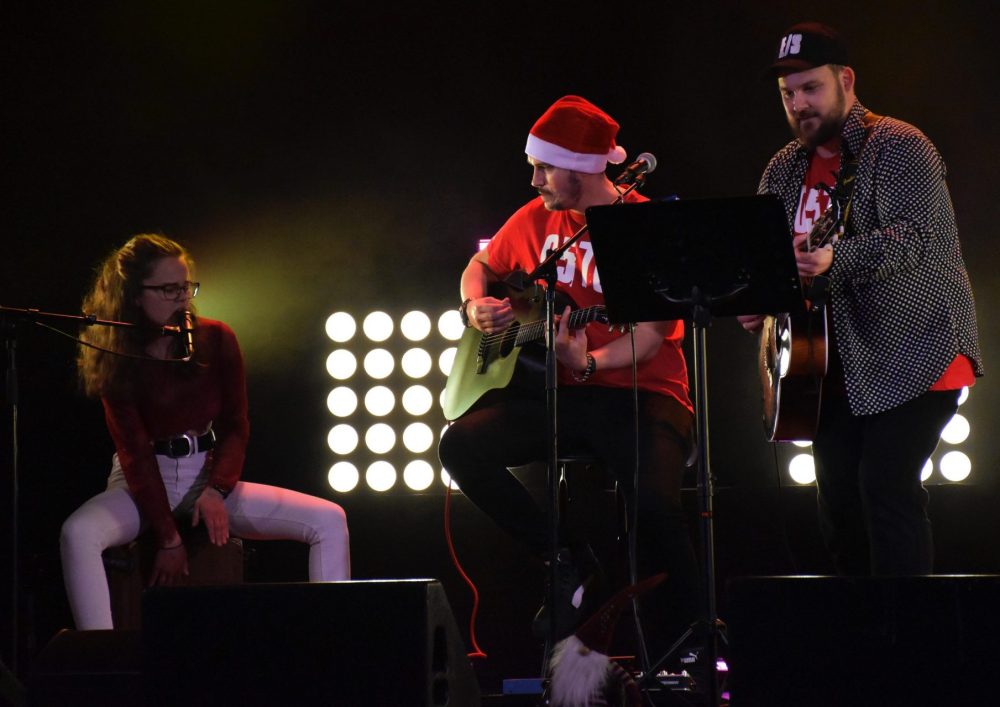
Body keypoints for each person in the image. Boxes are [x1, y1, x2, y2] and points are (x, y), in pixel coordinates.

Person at [438, 96, 699, 648]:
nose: (534, 180)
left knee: (654, 507)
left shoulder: (644, 226)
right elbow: (480, 266)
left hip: (644, 392)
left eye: (544, 168)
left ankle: (690, 639)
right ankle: (564, 556)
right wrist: (473, 306)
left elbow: (651, 336)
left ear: (581, 168)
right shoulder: (537, 218)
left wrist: (590, 362)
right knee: (460, 446)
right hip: (565, 393)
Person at [739, 23, 983, 575]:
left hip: (916, 352)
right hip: (831, 366)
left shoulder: (899, 144)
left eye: (810, 88)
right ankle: (858, 622)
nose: (798, 103)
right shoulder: (783, 168)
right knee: (840, 505)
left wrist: (836, 257)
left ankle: (908, 624)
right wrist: (757, 300)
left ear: (845, 80)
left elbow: (917, 237)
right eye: (787, 94)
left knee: (886, 488)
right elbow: (764, 260)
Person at [61, 233, 350, 630]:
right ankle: (100, 655)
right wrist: (168, 538)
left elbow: (236, 424)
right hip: (142, 481)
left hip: (205, 474)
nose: (182, 298)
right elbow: (135, 455)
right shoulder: (116, 355)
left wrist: (217, 489)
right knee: (77, 533)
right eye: (168, 289)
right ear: (134, 295)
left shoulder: (215, 338)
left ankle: (336, 644)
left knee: (329, 519)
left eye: (186, 287)